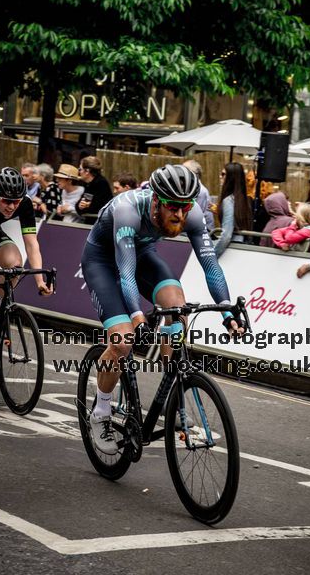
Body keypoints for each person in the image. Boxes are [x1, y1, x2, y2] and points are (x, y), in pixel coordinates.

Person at [81, 164, 245, 454]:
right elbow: (126, 273)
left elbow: (211, 266)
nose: (180, 215)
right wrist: (138, 317)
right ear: (155, 199)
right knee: (122, 342)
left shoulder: (191, 213)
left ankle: (174, 391)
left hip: (142, 254)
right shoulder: (127, 209)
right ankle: (101, 412)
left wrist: (227, 312)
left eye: (185, 207)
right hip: (103, 261)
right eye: (172, 207)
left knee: (177, 307)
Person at [0, 167, 53, 324]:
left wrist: (39, 281)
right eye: (6, 201)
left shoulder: (25, 203)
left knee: (15, 266)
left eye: (16, 201)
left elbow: (31, 243)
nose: (11, 207)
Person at [214, 162, 253, 258]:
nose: (220, 177)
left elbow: (226, 236)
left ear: (231, 178)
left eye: (223, 174)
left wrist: (211, 256)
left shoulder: (229, 200)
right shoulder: (244, 200)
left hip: (230, 250)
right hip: (241, 247)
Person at [76, 156, 113, 224]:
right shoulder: (87, 184)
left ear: (87, 171)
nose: (79, 172)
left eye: (80, 169)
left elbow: (101, 207)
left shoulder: (101, 183)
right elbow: (79, 205)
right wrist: (80, 206)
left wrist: (87, 207)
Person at [183, 159, 215, 230]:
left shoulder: (199, 191)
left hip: (203, 232)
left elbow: (193, 216)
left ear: (193, 174)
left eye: (184, 171)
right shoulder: (192, 188)